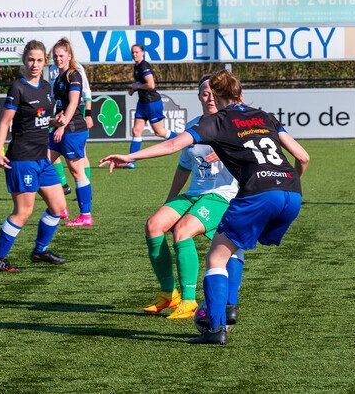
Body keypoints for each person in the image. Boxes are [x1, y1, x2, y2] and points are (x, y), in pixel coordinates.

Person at [100, 69, 310, 345]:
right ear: (240, 94)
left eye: (213, 94)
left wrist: (129, 155)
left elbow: (173, 145)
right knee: (230, 244)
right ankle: (227, 306)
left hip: (256, 194)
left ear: (220, 97)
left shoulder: (218, 122)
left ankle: (215, 327)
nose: (209, 98)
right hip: (291, 193)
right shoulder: (264, 115)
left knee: (216, 259)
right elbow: (303, 157)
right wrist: (287, 183)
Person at [143, 75, 244, 323]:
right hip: (194, 193)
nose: (210, 98)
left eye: (213, 93)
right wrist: (169, 200)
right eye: (205, 94)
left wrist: (227, 152)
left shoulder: (234, 125)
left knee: (182, 231)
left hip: (222, 195)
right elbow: (183, 167)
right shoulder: (195, 126)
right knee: (154, 225)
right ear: (199, 97)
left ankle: (189, 300)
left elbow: (252, 151)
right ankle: (169, 293)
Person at [0, 40, 68, 271]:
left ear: (45, 62)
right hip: (22, 159)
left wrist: (55, 120)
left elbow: (41, 119)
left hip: (42, 159)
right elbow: (5, 122)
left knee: (58, 206)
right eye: (31, 59)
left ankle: (40, 251)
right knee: (23, 212)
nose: (35, 64)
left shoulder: (46, 87)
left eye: (40, 60)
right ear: (24, 60)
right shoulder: (18, 87)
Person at [48, 38, 93, 227]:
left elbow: (74, 103)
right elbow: (58, 105)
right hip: (62, 127)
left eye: (61, 55)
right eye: (55, 56)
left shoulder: (73, 75)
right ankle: (60, 207)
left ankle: (85, 215)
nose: (58, 59)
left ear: (69, 56)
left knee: (77, 172)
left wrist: (61, 126)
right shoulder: (58, 76)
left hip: (72, 129)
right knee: (42, 163)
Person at [126, 44, 175, 169]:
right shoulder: (137, 67)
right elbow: (141, 83)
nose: (134, 54)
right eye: (133, 52)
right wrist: (134, 88)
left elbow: (151, 85)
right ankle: (131, 161)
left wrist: (137, 87)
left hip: (152, 102)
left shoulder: (144, 66)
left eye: (137, 52)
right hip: (142, 103)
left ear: (143, 53)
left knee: (160, 132)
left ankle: (185, 141)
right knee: (136, 130)